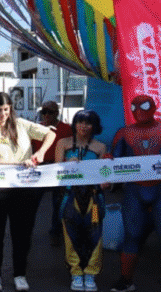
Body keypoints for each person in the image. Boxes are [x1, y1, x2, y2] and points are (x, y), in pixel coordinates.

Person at [109, 95, 161, 292]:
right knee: (132, 236)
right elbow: (114, 160)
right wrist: (108, 160)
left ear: (154, 107)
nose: (139, 110)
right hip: (134, 189)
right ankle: (126, 281)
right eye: (135, 106)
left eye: (144, 105)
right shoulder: (124, 133)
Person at [0, 92, 56, 292]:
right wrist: (18, 163)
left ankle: (20, 274)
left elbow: (50, 134)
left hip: (24, 189)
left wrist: (40, 152)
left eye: (6, 109)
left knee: (22, 234)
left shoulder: (21, 125)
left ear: (10, 108)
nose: (2, 114)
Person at [54, 110, 108, 292]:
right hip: (70, 199)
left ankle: (91, 273)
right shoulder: (63, 144)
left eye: (88, 123)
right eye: (80, 122)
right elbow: (55, 172)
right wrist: (66, 165)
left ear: (95, 126)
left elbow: (105, 176)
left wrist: (107, 182)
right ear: (74, 124)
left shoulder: (100, 147)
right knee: (71, 235)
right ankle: (76, 273)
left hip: (93, 200)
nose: (83, 126)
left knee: (95, 233)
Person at [35, 100, 73, 246]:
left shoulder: (66, 129)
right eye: (43, 112)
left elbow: (71, 149)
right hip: (40, 169)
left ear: (57, 113)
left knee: (58, 203)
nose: (46, 115)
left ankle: (56, 232)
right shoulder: (37, 128)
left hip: (58, 169)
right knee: (32, 202)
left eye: (50, 112)